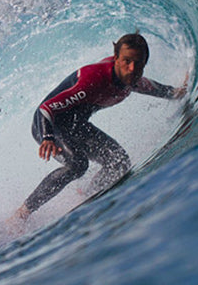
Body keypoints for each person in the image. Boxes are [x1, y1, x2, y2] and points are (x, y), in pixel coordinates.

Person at [11, 32, 187, 222]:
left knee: (119, 162)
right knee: (78, 165)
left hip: (75, 126)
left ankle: (85, 195)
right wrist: (47, 138)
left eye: (139, 63)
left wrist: (176, 92)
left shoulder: (130, 78)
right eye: (127, 61)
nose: (132, 68)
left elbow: (151, 87)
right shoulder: (93, 78)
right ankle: (22, 213)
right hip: (48, 124)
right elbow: (46, 108)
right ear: (116, 58)